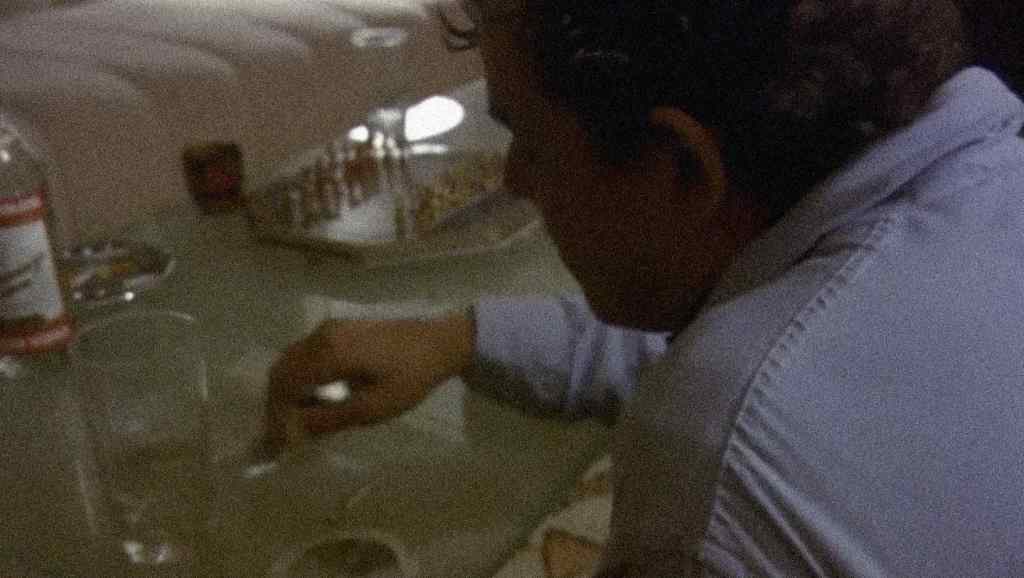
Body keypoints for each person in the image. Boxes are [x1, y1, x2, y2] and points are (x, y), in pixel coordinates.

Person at [267, 0, 1024, 575]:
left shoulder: (720, 456)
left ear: (682, 168)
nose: (514, 179)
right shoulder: (976, 188)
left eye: (529, 139)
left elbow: (739, 402)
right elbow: (774, 349)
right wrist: (460, 337)